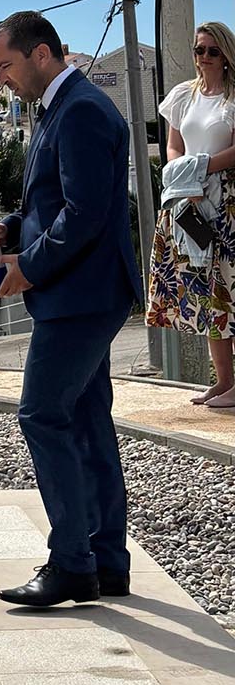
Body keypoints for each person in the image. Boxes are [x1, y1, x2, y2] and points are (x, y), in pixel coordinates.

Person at [0, 11, 142, 607]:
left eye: (6, 65)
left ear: (41, 54)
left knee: (42, 416)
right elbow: (56, 200)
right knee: (87, 421)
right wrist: (11, 227)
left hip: (80, 296)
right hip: (85, 292)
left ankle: (73, 563)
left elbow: (84, 214)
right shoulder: (61, 107)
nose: (2, 78)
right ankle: (106, 562)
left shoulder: (79, 111)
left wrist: (28, 266)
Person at [146, 22, 235, 407]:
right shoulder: (183, 95)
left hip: (227, 202)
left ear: (226, 55)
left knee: (231, 288)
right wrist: (186, 178)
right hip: (189, 202)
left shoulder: (233, 98)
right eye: (200, 50)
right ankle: (224, 382)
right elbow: (172, 146)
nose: (205, 57)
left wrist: (201, 169)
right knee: (209, 294)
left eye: (213, 50)